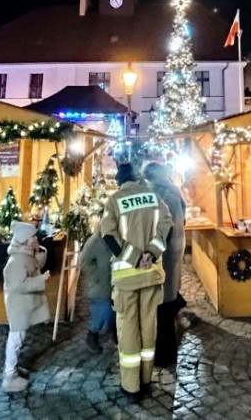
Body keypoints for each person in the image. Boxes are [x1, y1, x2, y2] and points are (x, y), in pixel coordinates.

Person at [99, 163, 172, 402]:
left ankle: (131, 387)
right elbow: (166, 226)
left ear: (120, 180)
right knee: (149, 327)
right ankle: (146, 379)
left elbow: (108, 235)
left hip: (126, 278)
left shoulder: (114, 200)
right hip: (151, 274)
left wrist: (133, 258)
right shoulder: (154, 198)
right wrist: (150, 253)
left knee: (128, 330)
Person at [143, 162, 186, 368]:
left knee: (163, 304)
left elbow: (161, 227)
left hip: (165, 252)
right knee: (168, 299)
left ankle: (165, 354)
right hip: (175, 248)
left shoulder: (160, 193)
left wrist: (152, 251)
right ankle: (165, 351)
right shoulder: (173, 190)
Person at [1, 221, 51, 393]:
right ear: (26, 241)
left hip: (22, 306)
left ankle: (13, 371)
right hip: (18, 307)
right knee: (16, 339)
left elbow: (36, 266)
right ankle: (9, 376)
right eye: (33, 237)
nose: (36, 238)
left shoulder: (26, 255)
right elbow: (17, 285)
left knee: (19, 338)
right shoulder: (16, 261)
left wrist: (39, 252)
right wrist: (41, 280)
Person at [79, 229, 115, 353]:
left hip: (112, 282)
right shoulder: (95, 240)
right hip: (99, 285)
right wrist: (96, 275)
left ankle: (115, 334)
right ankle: (92, 334)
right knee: (103, 310)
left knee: (113, 310)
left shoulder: (115, 236)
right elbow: (83, 261)